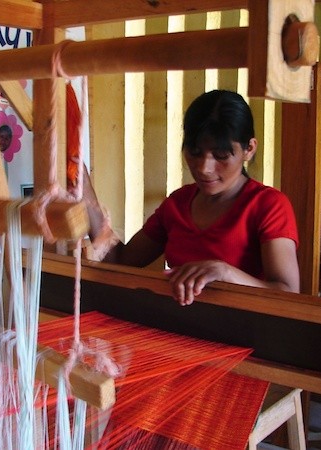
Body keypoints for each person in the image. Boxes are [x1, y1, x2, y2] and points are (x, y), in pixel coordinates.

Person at [82, 90, 300, 305]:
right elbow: (121, 261)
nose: (204, 168)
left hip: (245, 333)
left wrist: (225, 272)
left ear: (249, 149)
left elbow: (287, 293)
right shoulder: (178, 204)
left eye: (221, 155)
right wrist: (83, 187)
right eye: (195, 152)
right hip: (178, 327)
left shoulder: (268, 205)